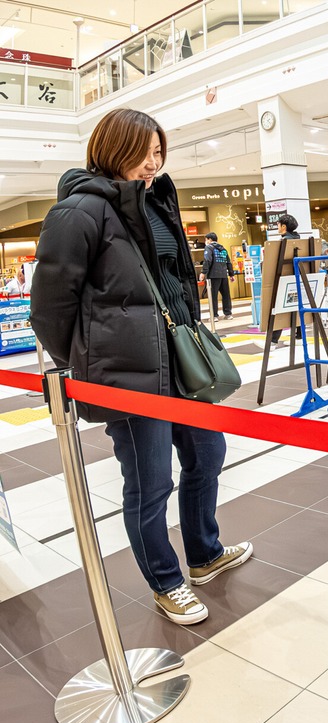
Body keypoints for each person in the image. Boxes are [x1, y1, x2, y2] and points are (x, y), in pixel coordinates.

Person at [31, 108, 252, 626]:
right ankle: (165, 580)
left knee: (207, 454)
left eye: (159, 153)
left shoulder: (156, 201)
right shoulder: (77, 213)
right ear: (114, 149)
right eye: (144, 153)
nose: (154, 163)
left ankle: (202, 554)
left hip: (179, 364)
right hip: (126, 376)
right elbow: (48, 308)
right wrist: (90, 363)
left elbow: (173, 280)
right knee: (150, 483)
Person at [270, 214, 302, 347]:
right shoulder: (300, 241)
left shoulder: (283, 242)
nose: (277, 227)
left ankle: (272, 341)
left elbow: (275, 263)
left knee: (279, 307)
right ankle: (300, 336)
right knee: (298, 305)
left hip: (285, 279)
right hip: (299, 279)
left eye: (278, 224)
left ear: (283, 226)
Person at [200, 232, 235, 320]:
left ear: (209, 239)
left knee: (213, 296)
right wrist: (231, 274)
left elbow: (207, 260)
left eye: (206, 239)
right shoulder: (223, 249)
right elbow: (228, 262)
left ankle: (214, 315)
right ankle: (228, 314)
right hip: (224, 275)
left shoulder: (209, 247)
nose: (205, 241)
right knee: (226, 295)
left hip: (213, 275)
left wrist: (203, 272)